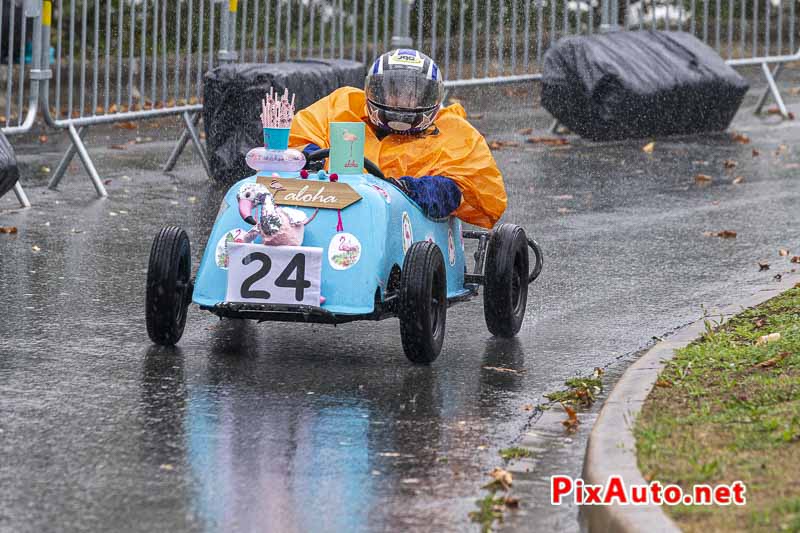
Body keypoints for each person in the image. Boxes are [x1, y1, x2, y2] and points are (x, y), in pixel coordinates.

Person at [288, 49, 507, 229]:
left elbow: (476, 189)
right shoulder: (343, 105)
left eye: (412, 94)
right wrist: (309, 158)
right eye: (394, 91)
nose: (402, 102)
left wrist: (424, 190)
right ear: (374, 90)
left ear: (431, 97)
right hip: (333, 217)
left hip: (409, 233)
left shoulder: (452, 130)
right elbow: (301, 136)